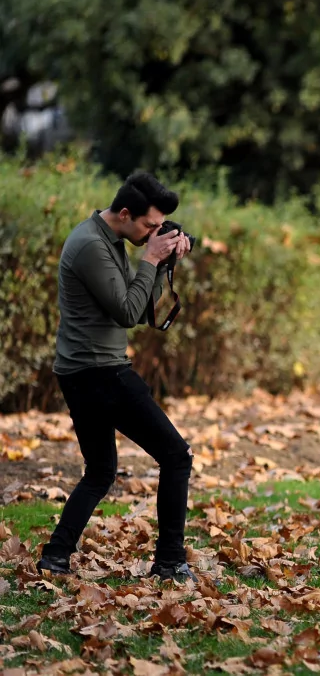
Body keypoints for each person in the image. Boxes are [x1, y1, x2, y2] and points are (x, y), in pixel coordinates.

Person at [36, 172, 198, 582]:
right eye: (148, 226)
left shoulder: (109, 239)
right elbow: (127, 313)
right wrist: (150, 260)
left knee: (100, 471)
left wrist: (162, 262)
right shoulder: (91, 246)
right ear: (125, 214)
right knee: (176, 457)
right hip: (100, 373)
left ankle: (55, 556)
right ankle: (170, 562)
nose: (152, 233)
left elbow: (139, 308)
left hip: (84, 371)